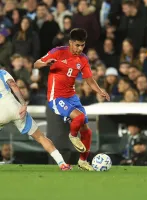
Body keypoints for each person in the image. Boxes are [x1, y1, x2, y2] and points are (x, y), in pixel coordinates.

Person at [34, 28, 110, 171]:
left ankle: (82, 161)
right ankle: (73, 135)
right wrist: (45, 63)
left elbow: (89, 80)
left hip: (72, 96)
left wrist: (100, 91)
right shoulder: (58, 52)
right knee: (79, 117)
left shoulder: (83, 59)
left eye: (82, 45)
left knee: (87, 131)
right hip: (56, 97)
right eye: (77, 45)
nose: (80, 48)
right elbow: (36, 63)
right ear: (70, 43)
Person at [0, 69, 71, 171]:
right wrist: (23, 104)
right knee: (41, 137)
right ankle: (62, 163)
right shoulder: (2, 72)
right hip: (14, 108)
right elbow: (13, 85)